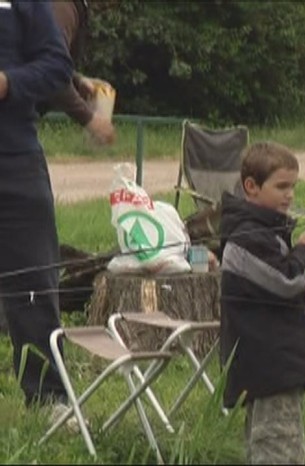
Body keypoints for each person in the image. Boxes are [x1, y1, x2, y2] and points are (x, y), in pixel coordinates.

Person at [218, 142, 305, 464]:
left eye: (293, 187)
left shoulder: (264, 233)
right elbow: (287, 281)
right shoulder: (248, 237)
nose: (290, 195)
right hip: (270, 368)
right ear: (251, 186)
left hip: (273, 366)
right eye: (281, 186)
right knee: (278, 449)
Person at [0, 2, 73, 411]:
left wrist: (9, 82)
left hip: (16, 160)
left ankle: (49, 398)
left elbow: (57, 65)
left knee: (34, 284)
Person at [38, 0, 116, 146]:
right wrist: (90, 119)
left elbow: (36, 59)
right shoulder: (63, 8)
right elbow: (51, 72)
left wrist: (77, 81)